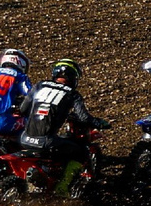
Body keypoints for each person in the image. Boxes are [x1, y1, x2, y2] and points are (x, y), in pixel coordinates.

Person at [16, 59, 101, 194]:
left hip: (24, 140)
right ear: (73, 77)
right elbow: (84, 117)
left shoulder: (39, 85)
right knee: (80, 152)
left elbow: (23, 109)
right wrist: (97, 122)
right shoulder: (72, 94)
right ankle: (63, 188)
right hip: (46, 142)